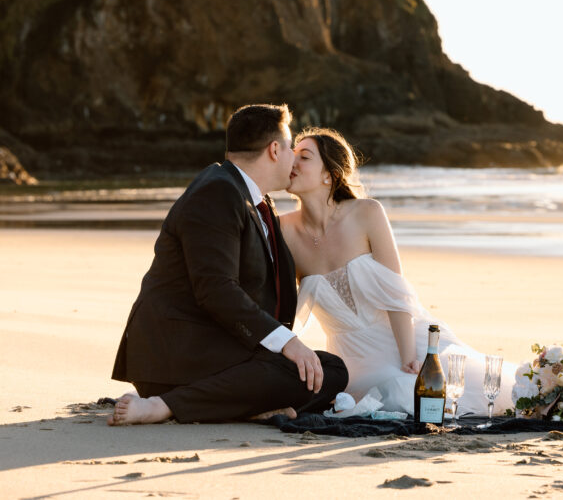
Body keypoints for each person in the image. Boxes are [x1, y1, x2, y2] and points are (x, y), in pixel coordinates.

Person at [109, 104, 348, 425]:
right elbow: (215, 289)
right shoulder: (217, 192)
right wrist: (287, 342)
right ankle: (165, 406)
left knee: (331, 370)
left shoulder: (254, 199)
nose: (293, 157)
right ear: (275, 150)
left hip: (220, 346)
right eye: (291, 147)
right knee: (301, 369)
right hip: (178, 354)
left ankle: (247, 407)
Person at [281, 127, 517, 416]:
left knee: (482, 394)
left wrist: (409, 359)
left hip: (405, 341)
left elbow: (397, 294)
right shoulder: (283, 231)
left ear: (328, 174)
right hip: (351, 362)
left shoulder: (367, 213)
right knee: (378, 403)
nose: (292, 162)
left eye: (304, 157)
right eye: (291, 155)